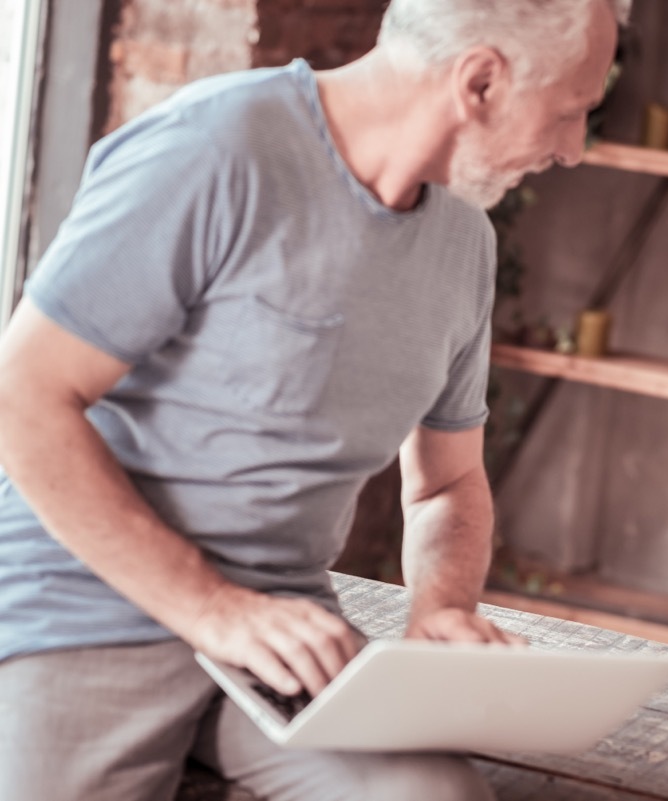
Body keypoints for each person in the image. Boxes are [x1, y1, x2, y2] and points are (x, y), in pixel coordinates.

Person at [0, 0, 628, 798]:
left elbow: (446, 484)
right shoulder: (212, 147)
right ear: (480, 82)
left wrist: (440, 609)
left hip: (290, 638)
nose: (572, 149)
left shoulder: (465, 245)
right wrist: (215, 608)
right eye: (571, 110)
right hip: (87, 605)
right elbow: (22, 396)